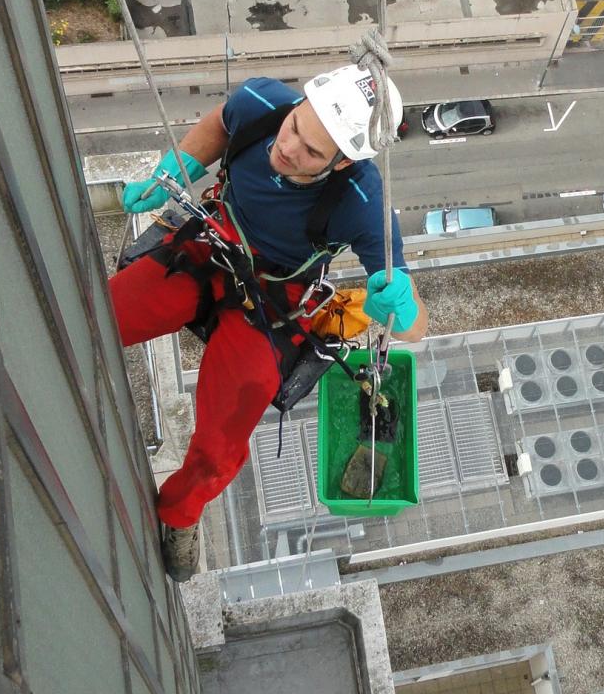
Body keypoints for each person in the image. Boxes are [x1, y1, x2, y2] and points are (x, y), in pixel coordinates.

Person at [111, 64, 426, 578]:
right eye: (297, 125)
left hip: (274, 299)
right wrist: (178, 165)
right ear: (298, 104)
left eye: (312, 153)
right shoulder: (263, 104)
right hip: (211, 240)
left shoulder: (365, 204)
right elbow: (221, 122)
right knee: (106, 313)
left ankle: (181, 512)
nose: (289, 147)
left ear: (343, 163)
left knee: (225, 435)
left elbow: (416, 329)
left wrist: (403, 308)